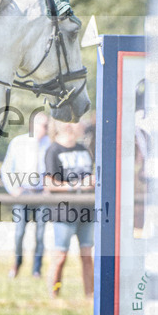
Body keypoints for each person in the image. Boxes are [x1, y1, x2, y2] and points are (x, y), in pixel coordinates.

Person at [45, 119, 95, 299]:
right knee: (60, 256)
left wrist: (92, 181)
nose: (81, 126)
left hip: (87, 210)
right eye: (76, 123)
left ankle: (90, 296)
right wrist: (77, 185)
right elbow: (49, 183)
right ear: (67, 126)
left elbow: (89, 174)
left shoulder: (83, 149)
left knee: (87, 256)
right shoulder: (54, 150)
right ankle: (54, 294)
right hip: (64, 211)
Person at [0, 112, 51, 278]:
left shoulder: (50, 144)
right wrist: (13, 189)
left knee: (40, 233)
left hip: (42, 193)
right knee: (19, 232)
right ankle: (17, 264)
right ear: (33, 125)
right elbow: (7, 168)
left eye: (46, 125)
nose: (44, 129)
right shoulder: (19, 142)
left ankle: (36, 269)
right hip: (23, 192)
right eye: (42, 125)